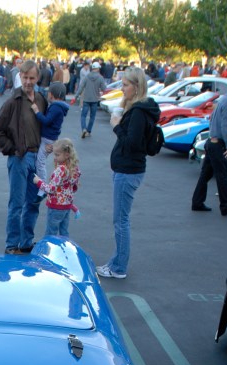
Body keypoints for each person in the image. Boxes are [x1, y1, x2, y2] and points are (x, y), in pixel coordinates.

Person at [97, 67, 160, 280]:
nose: (122, 89)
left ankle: (119, 267)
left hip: (128, 170)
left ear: (136, 86)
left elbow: (132, 143)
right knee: (121, 220)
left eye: (125, 85)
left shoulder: (139, 112)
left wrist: (116, 126)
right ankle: (116, 263)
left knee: (121, 221)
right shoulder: (139, 110)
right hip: (127, 169)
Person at [0, 59, 47, 254]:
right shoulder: (12, 102)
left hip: (36, 158)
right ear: (20, 77)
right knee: (16, 204)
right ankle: (12, 244)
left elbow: (46, 124)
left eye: (32, 78)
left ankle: (26, 242)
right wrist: (12, 149)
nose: (28, 82)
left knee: (33, 202)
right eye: (25, 78)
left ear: (37, 78)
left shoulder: (40, 99)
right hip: (19, 159)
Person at [191, 77, 227, 216]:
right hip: (218, 144)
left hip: (212, 141)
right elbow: (226, 126)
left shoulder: (223, 99)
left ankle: (197, 202)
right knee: (222, 175)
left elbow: (214, 120)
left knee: (205, 174)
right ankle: (226, 206)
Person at [33, 138, 81, 239]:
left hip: (56, 207)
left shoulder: (60, 170)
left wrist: (38, 182)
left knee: (51, 232)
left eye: (57, 155)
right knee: (64, 232)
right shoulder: (74, 168)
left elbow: (50, 189)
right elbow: (70, 189)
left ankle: (48, 252)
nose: (55, 157)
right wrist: (73, 207)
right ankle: (65, 251)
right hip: (66, 207)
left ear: (66, 154)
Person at [31, 81, 69, 192]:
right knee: (40, 160)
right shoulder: (58, 107)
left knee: (40, 162)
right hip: (50, 138)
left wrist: (37, 112)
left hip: (48, 139)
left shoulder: (56, 108)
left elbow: (46, 121)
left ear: (51, 94)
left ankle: (42, 187)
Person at [74, 61, 106, 138]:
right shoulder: (100, 78)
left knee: (83, 116)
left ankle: (84, 128)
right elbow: (104, 88)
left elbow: (81, 87)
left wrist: (76, 96)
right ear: (98, 68)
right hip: (95, 99)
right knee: (92, 116)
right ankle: (88, 131)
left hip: (86, 99)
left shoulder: (87, 76)